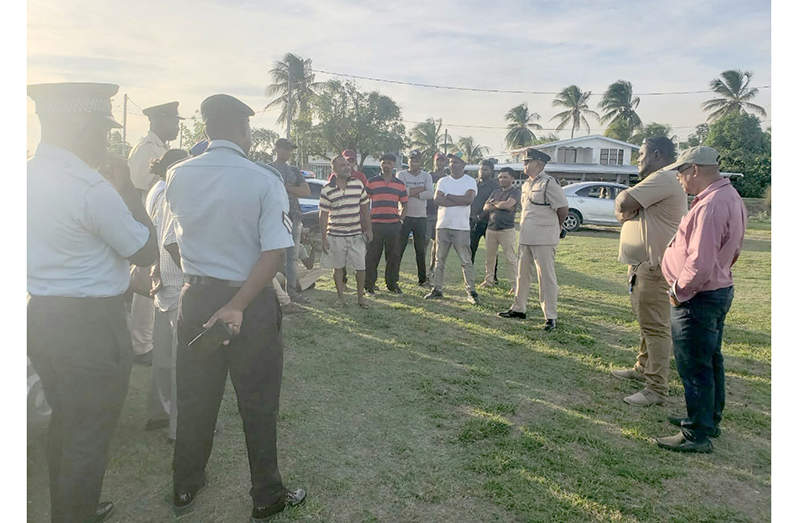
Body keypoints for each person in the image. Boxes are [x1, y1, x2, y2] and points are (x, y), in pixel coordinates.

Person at [164, 94, 306, 520]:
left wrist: (199, 279)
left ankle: (185, 487)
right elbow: (274, 254)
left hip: (198, 299)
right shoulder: (263, 179)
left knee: (195, 400)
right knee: (258, 404)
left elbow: (171, 240)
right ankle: (266, 494)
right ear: (244, 131)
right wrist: (238, 304)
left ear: (206, 130)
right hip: (252, 303)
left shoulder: (177, 175)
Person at [27, 82, 158, 523]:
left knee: (65, 422)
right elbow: (144, 251)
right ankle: (74, 513)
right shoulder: (90, 188)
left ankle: (70, 507)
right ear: (80, 129)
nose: (107, 141)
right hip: (90, 327)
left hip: (42, 315)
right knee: (88, 433)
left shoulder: (22, 174)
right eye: (102, 130)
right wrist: (127, 192)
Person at [654, 146, 747, 453]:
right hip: (715, 291)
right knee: (710, 360)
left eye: (681, 173)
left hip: (698, 296)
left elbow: (700, 261)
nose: (680, 181)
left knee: (695, 366)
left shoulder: (711, 205)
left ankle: (696, 433)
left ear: (694, 169)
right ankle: (707, 419)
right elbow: (732, 250)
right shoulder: (729, 196)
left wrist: (679, 292)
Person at [611, 137, 687, 407]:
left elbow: (622, 203)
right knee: (647, 323)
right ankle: (642, 368)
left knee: (655, 327)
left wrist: (626, 203)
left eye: (641, 154)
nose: (638, 160)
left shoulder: (663, 178)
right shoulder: (659, 181)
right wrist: (628, 208)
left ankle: (656, 388)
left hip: (656, 267)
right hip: (645, 265)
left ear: (657, 154)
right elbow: (623, 212)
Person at [126, 101, 183, 366]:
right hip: (147, 227)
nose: (178, 126)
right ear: (159, 120)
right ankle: (140, 345)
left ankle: (145, 340)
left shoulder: (161, 148)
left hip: (158, 226)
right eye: (174, 121)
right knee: (145, 290)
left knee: (152, 288)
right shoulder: (146, 149)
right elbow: (135, 194)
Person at [144, 149, 190, 440]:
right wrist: (195, 275)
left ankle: (159, 413)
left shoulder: (157, 191)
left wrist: (155, 266)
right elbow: (173, 242)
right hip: (179, 284)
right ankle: (180, 426)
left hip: (163, 283)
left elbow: (155, 236)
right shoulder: (177, 194)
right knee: (182, 361)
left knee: (162, 357)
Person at [498, 149, 567, 330]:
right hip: (527, 235)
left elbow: (562, 209)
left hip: (544, 237)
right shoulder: (526, 185)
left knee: (546, 278)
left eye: (527, 161)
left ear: (538, 163)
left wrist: (556, 227)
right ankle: (519, 308)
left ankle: (550, 316)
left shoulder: (549, 183)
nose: (524, 164)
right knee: (522, 275)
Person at [424, 151, 480, 305]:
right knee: (439, 260)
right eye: (450, 162)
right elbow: (437, 200)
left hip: (461, 227)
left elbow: (468, 199)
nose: (451, 164)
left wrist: (448, 196)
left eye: (455, 162)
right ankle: (437, 289)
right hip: (442, 225)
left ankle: (471, 291)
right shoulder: (443, 181)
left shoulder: (469, 181)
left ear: (463, 164)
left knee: (465, 261)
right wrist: (458, 200)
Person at [319, 155, 373, 307]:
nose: (347, 167)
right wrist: (324, 238)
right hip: (335, 234)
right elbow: (323, 216)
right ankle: (341, 298)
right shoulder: (327, 189)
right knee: (338, 268)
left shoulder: (357, 184)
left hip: (356, 234)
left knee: (361, 267)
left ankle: (360, 298)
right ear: (334, 169)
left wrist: (368, 229)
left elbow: (365, 209)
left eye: (348, 164)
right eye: (343, 165)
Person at [270, 138, 311, 304]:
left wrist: (285, 188)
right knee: (272, 254)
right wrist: (293, 190)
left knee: (292, 256)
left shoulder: (294, 170)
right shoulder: (269, 169)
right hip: (273, 217)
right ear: (277, 149)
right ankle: (275, 291)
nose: (287, 152)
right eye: (285, 149)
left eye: (289, 150)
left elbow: (306, 191)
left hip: (293, 216)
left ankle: (292, 291)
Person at [365, 153, 408, 295]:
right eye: (384, 163)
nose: (386, 165)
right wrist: (366, 223)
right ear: (380, 164)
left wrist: (400, 220)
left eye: (389, 163)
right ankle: (369, 285)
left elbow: (405, 204)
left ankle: (392, 285)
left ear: (393, 165)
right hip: (375, 224)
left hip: (393, 225)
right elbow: (364, 203)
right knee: (372, 256)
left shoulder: (399, 184)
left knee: (394, 256)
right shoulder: (371, 182)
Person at [479, 167, 521, 294]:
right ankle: (488, 281)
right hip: (491, 228)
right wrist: (500, 204)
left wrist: (496, 204)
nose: (502, 179)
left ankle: (514, 285)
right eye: (500, 177)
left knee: (510, 258)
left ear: (512, 179)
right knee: (490, 258)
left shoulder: (516, 192)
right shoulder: (495, 191)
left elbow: (508, 205)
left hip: (506, 230)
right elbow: (485, 207)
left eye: (505, 177)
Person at [397, 149, 434, 286]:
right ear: (408, 160)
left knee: (420, 250)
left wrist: (410, 192)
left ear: (420, 162)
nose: (414, 163)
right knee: (399, 249)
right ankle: (394, 278)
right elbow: (400, 192)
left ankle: (422, 279)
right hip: (404, 216)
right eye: (412, 160)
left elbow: (430, 194)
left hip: (420, 217)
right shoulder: (401, 174)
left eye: (417, 160)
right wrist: (420, 189)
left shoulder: (426, 176)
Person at [470, 160, 500, 279]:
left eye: (485, 169)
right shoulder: (473, 184)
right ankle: (469, 274)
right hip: (472, 222)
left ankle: (493, 276)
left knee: (491, 251)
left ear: (491, 171)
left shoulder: (495, 186)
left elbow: (493, 205)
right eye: (481, 169)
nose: (482, 172)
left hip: (489, 222)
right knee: (471, 249)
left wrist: (480, 216)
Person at [426, 151, 447, 282]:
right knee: (424, 242)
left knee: (437, 244)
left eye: (442, 160)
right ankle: (424, 271)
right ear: (434, 161)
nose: (440, 162)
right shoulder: (428, 176)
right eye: (438, 160)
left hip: (440, 214)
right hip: (427, 213)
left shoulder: (446, 178)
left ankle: (432, 269)